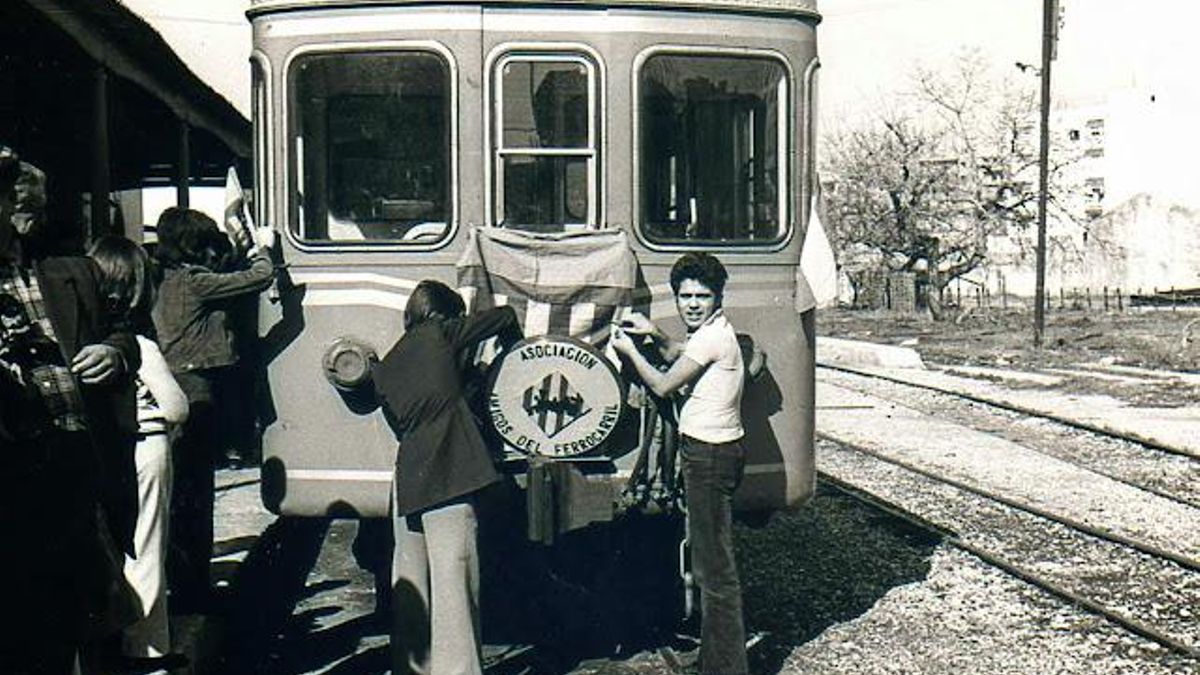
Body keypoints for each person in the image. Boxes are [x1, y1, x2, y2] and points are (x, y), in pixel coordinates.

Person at [0, 146, 141, 674]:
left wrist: (115, 352)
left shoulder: (71, 272)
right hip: (15, 481)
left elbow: (127, 332)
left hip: (79, 469)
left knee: (87, 624)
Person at [372, 280, 521, 675]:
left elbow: (401, 422)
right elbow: (503, 316)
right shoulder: (442, 331)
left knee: (411, 582)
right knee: (455, 579)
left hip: (408, 479)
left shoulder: (385, 366)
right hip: (449, 472)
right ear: (444, 315)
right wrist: (513, 346)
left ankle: (412, 668)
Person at [610, 252, 748, 675]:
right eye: (685, 295)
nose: (692, 303)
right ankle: (715, 660)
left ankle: (726, 669)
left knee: (714, 570)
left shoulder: (710, 338)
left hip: (708, 456)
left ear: (717, 298)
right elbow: (681, 354)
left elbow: (665, 384)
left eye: (701, 296)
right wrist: (654, 334)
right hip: (715, 452)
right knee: (710, 564)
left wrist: (631, 352)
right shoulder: (714, 333)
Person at [152, 207, 276, 611]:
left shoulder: (166, 279)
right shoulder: (196, 282)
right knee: (196, 492)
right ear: (193, 245)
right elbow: (258, 277)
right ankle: (193, 588)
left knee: (180, 492)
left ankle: (183, 580)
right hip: (196, 389)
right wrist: (262, 250)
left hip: (171, 382)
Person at [89, 235, 190, 667]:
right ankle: (149, 647)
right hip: (147, 449)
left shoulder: (85, 341)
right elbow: (177, 406)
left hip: (103, 455)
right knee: (147, 549)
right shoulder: (138, 346)